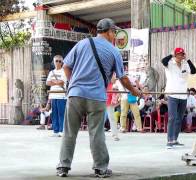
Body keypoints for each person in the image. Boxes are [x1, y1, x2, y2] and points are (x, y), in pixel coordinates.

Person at [56, 18, 142, 178]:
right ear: (109, 32)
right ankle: (100, 168)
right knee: (96, 133)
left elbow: (66, 66)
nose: (115, 35)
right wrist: (135, 91)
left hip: (75, 95)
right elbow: (123, 78)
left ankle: (63, 167)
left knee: (69, 132)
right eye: (114, 32)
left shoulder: (82, 44)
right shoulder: (113, 51)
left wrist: (73, 83)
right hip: (96, 97)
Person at [162, 47, 196, 149]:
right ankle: (169, 140)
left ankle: (175, 139)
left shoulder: (186, 64)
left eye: (182, 54)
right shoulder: (169, 63)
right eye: (178, 54)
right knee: (172, 117)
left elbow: (194, 71)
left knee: (179, 118)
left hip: (183, 95)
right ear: (175, 55)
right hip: (172, 94)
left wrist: (188, 59)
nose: (180, 56)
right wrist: (171, 55)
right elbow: (163, 61)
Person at [46, 55, 67, 137]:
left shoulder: (64, 71)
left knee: (61, 113)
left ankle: (62, 130)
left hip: (61, 95)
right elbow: (47, 83)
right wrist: (57, 81)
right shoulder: (51, 72)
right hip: (53, 95)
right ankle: (55, 131)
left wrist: (53, 81)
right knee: (54, 114)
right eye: (56, 61)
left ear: (62, 62)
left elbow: (62, 82)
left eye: (59, 61)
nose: (58, 62)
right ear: (53, 62)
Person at [105, 73, 120, 141]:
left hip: (109, 103)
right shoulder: (104, 82)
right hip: (101, 101)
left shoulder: (113, 86)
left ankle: (115, 135)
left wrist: (114, 101)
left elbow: (116, 95)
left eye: (115, 77)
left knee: (112, 118)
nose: (115, 79)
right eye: (114, 77)